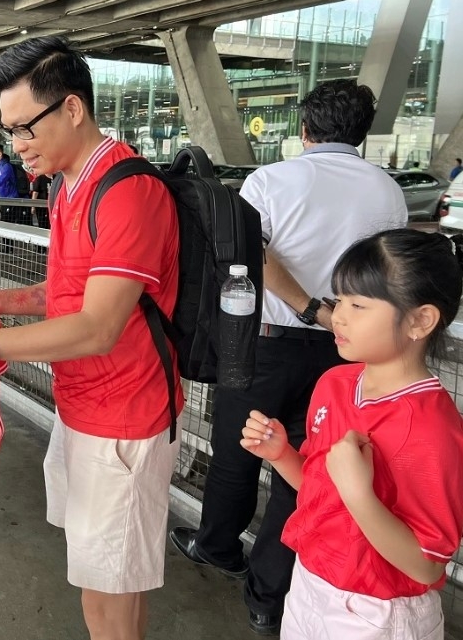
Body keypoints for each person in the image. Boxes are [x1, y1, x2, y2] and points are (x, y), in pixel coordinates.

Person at [0, 36, 181, 640]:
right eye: (9, 133)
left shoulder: (128, 189)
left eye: (24, 128)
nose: (17, 146)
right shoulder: (69, 186)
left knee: (110, 603)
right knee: (103, 583)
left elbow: (98, 326)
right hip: (85, 412)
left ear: (73, 109)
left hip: (125, 423)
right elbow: (58, 295)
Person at [170, 79, 408, 636]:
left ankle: (218, 548)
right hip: (345, 356)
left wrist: (307, 307)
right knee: (301, 469)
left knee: (238, 452)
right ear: (362, 132)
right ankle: (267, 593)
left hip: (261, 340)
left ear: (304, 129)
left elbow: (245, 252)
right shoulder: (387, 192)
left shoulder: (271, 180)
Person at [241, 229, 463, 640]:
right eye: (339, 299)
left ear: (420, 320)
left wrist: (360, 494)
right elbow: (319, 487)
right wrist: (281, 454)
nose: (338, 315)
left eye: (358, 305)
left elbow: (426, 563)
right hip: (308, 582)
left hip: (378, 614)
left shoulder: (433, 430)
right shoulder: (335, 383)